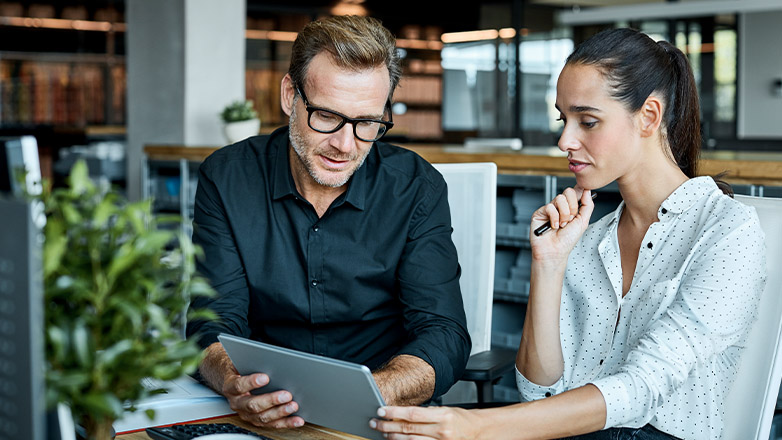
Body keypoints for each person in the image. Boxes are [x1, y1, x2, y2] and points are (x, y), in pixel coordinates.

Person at [372, 28, 767, 440]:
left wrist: (475, 425)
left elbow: (641, 387)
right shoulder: (590, 239)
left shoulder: (727, 233)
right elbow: (537, 390)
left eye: (588, 121)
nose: (565, 140)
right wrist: (549, 264)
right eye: (564, 119)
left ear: (649, 116)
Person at [185, 15, 470, 430]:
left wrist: (375, 391)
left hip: (380, 413)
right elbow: (212, 320)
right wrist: (234, 381)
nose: (344, 144)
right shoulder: (227, 178)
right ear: (289, 95)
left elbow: (443, 333)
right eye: (326, 116)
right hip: (262, 412)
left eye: (367, 123)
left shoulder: (416, 188)